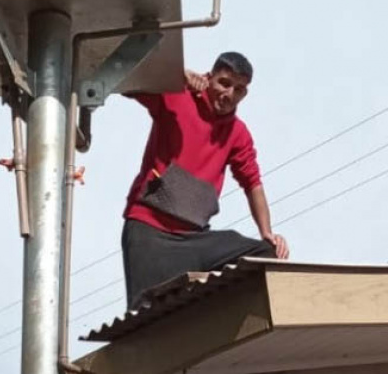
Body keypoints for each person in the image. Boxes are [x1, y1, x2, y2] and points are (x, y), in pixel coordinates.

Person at [122, 51, 289, 309]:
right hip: (150, 233)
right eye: (224, 83)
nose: (230, 94)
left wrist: (267, 232)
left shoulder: (238, 133)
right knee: (149, 318)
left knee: (265, 254)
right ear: (209, 78)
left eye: (240, 89)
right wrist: (176, 76)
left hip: (195, 239)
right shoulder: (176, 96)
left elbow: (252, 182)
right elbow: (128, 77)